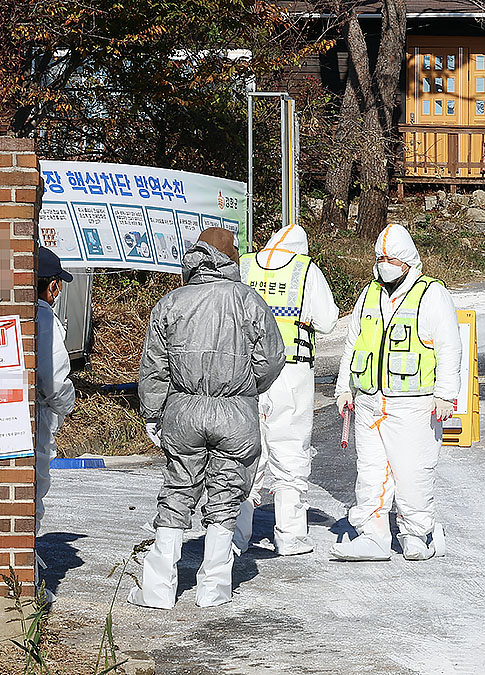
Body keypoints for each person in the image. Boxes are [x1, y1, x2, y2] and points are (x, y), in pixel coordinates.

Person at [129, 228, 284, 609]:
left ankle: (158, 589)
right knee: (227, 494)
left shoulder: (171, 303)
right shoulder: (249, 301)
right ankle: (213, 589)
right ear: (230, 260)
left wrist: (153, 413)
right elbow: (272, 359)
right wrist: (245, 385)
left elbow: (154, 367)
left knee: (177, 491)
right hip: (235, 410)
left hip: (184, 409)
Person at [331, 224, 462, 562]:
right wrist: (344, 387)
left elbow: (450, 347)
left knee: (413, 472)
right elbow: (353, 343)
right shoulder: (368, 294)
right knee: (370, 471)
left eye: (390, 258)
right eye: (379, 258)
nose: (383, 264)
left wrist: (446, 395)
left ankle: (419, 535)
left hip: (415, 405)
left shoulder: (431, 294)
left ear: (406, 261)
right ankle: (373, 536)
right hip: (370, 402)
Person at [233, 224, 338, 556]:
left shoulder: (244, 265)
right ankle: (290, 535)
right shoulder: (305, 271)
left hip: (244, 371)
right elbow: (327, 321)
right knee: (290, 449)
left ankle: (236, 535)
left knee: (245, 451)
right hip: (290, 372)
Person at [35, 248, 75, 537]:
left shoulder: (20, 311)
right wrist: (67, 404)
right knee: (34, 487)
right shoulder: (45, 318)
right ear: (52, 286)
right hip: (39, 417)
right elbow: (54, 379)